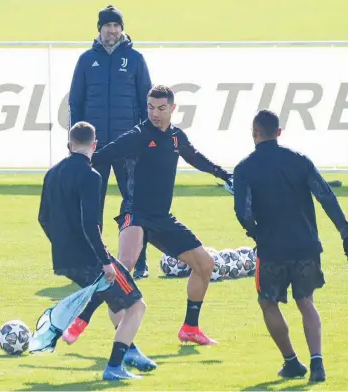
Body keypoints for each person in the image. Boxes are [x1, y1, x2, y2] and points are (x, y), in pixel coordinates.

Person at [64, 85, 233, 346]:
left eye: (161, 108)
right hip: (136, 213)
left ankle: (190, 327)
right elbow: (103, 155)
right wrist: (73, 166)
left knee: (205, 264)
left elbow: (195, 157)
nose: (155, 113)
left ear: (173, 109)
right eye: (151, 107)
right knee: (124, 265)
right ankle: (82, 319)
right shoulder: (138, 135)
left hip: (163, 218)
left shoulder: (177, 137)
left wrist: (223, 174)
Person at [232, 109, 348, 383]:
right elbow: (325, 195)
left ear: (254, 132)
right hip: (306, 247)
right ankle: (317, 363)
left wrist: (255, 233)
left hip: (272, 250)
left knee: (267, 303)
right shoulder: (299, 161)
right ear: (279, 132)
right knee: (306, 301)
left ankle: (291, 361)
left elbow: (243, 211)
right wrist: (345, 231)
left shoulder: (244, 169)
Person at [38, 121, 155, 380]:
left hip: (64, 258)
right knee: (137, 306)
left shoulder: (52, 173)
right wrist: (105, 261)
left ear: (69, 145)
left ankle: (130, 350)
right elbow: (90, 224)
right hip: (90, 257)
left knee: (115, 300)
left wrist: (62, 245)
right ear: (94, 145)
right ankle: (114, 367)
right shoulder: (92, 176)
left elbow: (43, 219)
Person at [68, 4, 153, 281]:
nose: (112, 31)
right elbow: (75, 103)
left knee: (134, 201)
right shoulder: (85, 60)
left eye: (116, 26)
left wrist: (144, 139)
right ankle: (94, 260)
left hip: (128, 146)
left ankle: (139, 261)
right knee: (92, 204)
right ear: (100, 29)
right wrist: (75, 141)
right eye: (107, 26)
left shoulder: (136, 59)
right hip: (95, 148)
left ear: (122, 29)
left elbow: (146, 102)